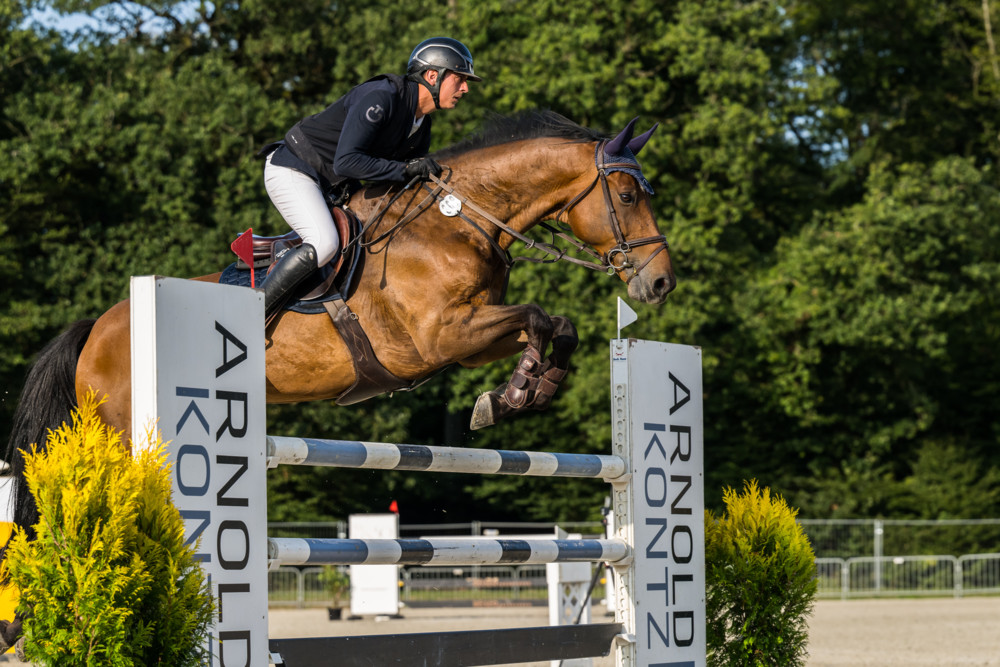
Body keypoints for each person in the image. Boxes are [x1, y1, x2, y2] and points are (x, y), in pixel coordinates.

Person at [259, 37, 482, 320]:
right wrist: (405, 170)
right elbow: (347, 161)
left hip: (334, 186)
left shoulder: (421, 125)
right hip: (294, 169)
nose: (464, 88)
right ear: (432, 75)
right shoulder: (382, 98)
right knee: (324, 243)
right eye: (460, 78)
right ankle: (252, 312)